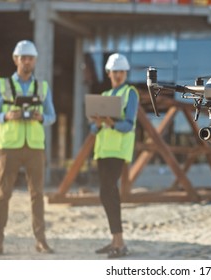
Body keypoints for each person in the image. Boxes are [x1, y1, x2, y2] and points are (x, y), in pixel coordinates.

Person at [0, 40, 56, 256]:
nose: (27, 62)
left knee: (37, 195)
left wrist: (40, 116)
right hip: (10, 147)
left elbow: (51, 116)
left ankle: (40, 240)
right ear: (16, 59)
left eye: (30, 58)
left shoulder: (42, 87)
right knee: (3, 195)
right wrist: (6, 115)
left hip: (34, 147)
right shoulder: (3, 85)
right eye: (23, 58)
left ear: (34, 61)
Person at [91, 53, 139, 258]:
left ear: (125, 73)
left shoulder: (131, 93)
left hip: (118, 150)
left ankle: (120, 243)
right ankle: (115, 240)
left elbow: (129, 125)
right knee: (107, 194)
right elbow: (93, 130)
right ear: (108, 73)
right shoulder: (105, 94)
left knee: (108, 193)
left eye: (121, 71)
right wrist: (97, 123)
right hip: (103, 150)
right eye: (115, 71)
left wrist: (112, 123)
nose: (118, 75)